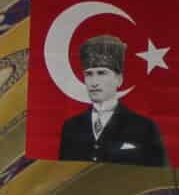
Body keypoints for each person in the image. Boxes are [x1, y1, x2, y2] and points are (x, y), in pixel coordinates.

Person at [56, 34, 168, 163]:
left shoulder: (144, 127)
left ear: (119, 79)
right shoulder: (71, 127)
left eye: (102, 73)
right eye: (89, 74)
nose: (94, 82)